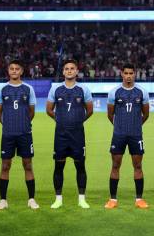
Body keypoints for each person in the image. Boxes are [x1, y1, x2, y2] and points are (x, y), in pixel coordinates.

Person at [46, 60, 93, 209]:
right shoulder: (56, 89)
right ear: (63, 72)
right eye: (66, 68)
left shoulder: (83, 89)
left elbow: (90, 110)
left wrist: (78, 121)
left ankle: (82, 199)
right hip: (60, 135)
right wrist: (60, 120)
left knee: (80, 167)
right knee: (58, 167)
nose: (69, 71)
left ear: (77, 71)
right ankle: (58, 199)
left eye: (72, 68)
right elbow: (49, 109)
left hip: (78, 135)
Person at [0, 60, 39, 210]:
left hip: (25, 133)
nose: (14, 71)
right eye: (11, 69)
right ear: (8, 71)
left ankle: (31, 199)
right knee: (5, 166)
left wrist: (23, 123)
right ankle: (3, 200)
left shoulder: (28, 89)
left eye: (17, 69)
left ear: (21, 71)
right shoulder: (2, 89)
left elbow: (31, 112)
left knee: (28, 165)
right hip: (8, 134)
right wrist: (8, 125)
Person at [104, 63, 150, 209]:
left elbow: (146, 114)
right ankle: (112, 199)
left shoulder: (142, 92)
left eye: (131, 73)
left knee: (138, 165)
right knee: (115, 165)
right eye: (126, 73)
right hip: (119, 135)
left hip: (136, 135)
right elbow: (110, 115)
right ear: (122, 74)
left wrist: (135, 125)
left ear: (134, 74)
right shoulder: (114, 92)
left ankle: (139, 199)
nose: (129, 76)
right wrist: (119, 127)